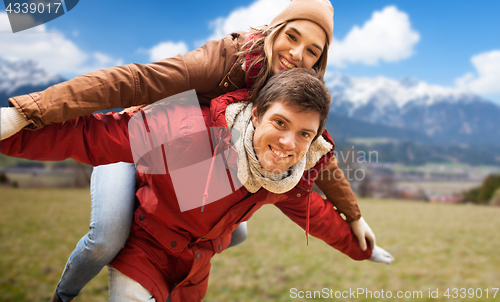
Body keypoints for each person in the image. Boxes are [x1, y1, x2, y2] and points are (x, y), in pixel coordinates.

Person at [0, 0, 376, 301]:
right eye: (292, 36)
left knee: (228, 230)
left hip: (198, 157)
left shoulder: (297, 98)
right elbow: (135, 82)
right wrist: (27, 112)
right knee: (107, 238)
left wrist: (353, 216)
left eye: (312, 50)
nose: (297, 53)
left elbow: (318, 157)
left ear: (320, 60)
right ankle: (64, 294)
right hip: (142, 140)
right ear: (275, 29)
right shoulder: (226, 60)